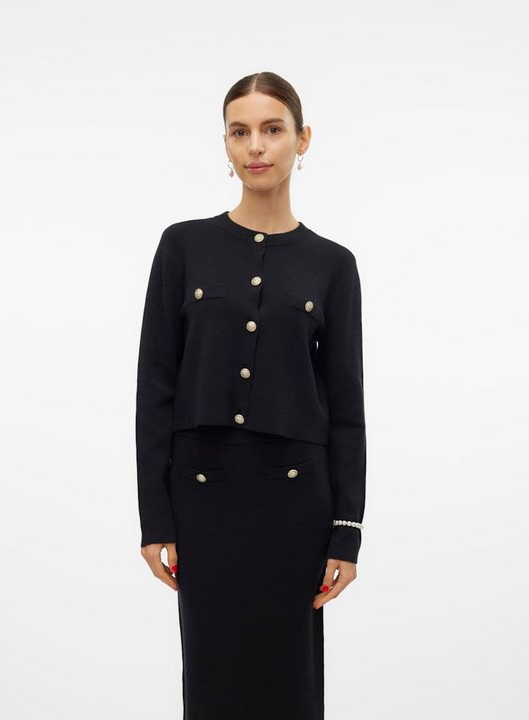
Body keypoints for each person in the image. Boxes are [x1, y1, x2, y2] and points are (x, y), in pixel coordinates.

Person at [135, 70, 367, 720]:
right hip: (203, 499)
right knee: (212, 682)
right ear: (226, 143)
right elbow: (155, 388)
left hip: (296, 504)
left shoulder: (333, 264)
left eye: (272, 129)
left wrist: (346, 532)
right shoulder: (182, 246)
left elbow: (346, 408)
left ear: (303, 139)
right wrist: (156, 519)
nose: (256, 146)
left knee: (289, 683)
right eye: (240, 132)